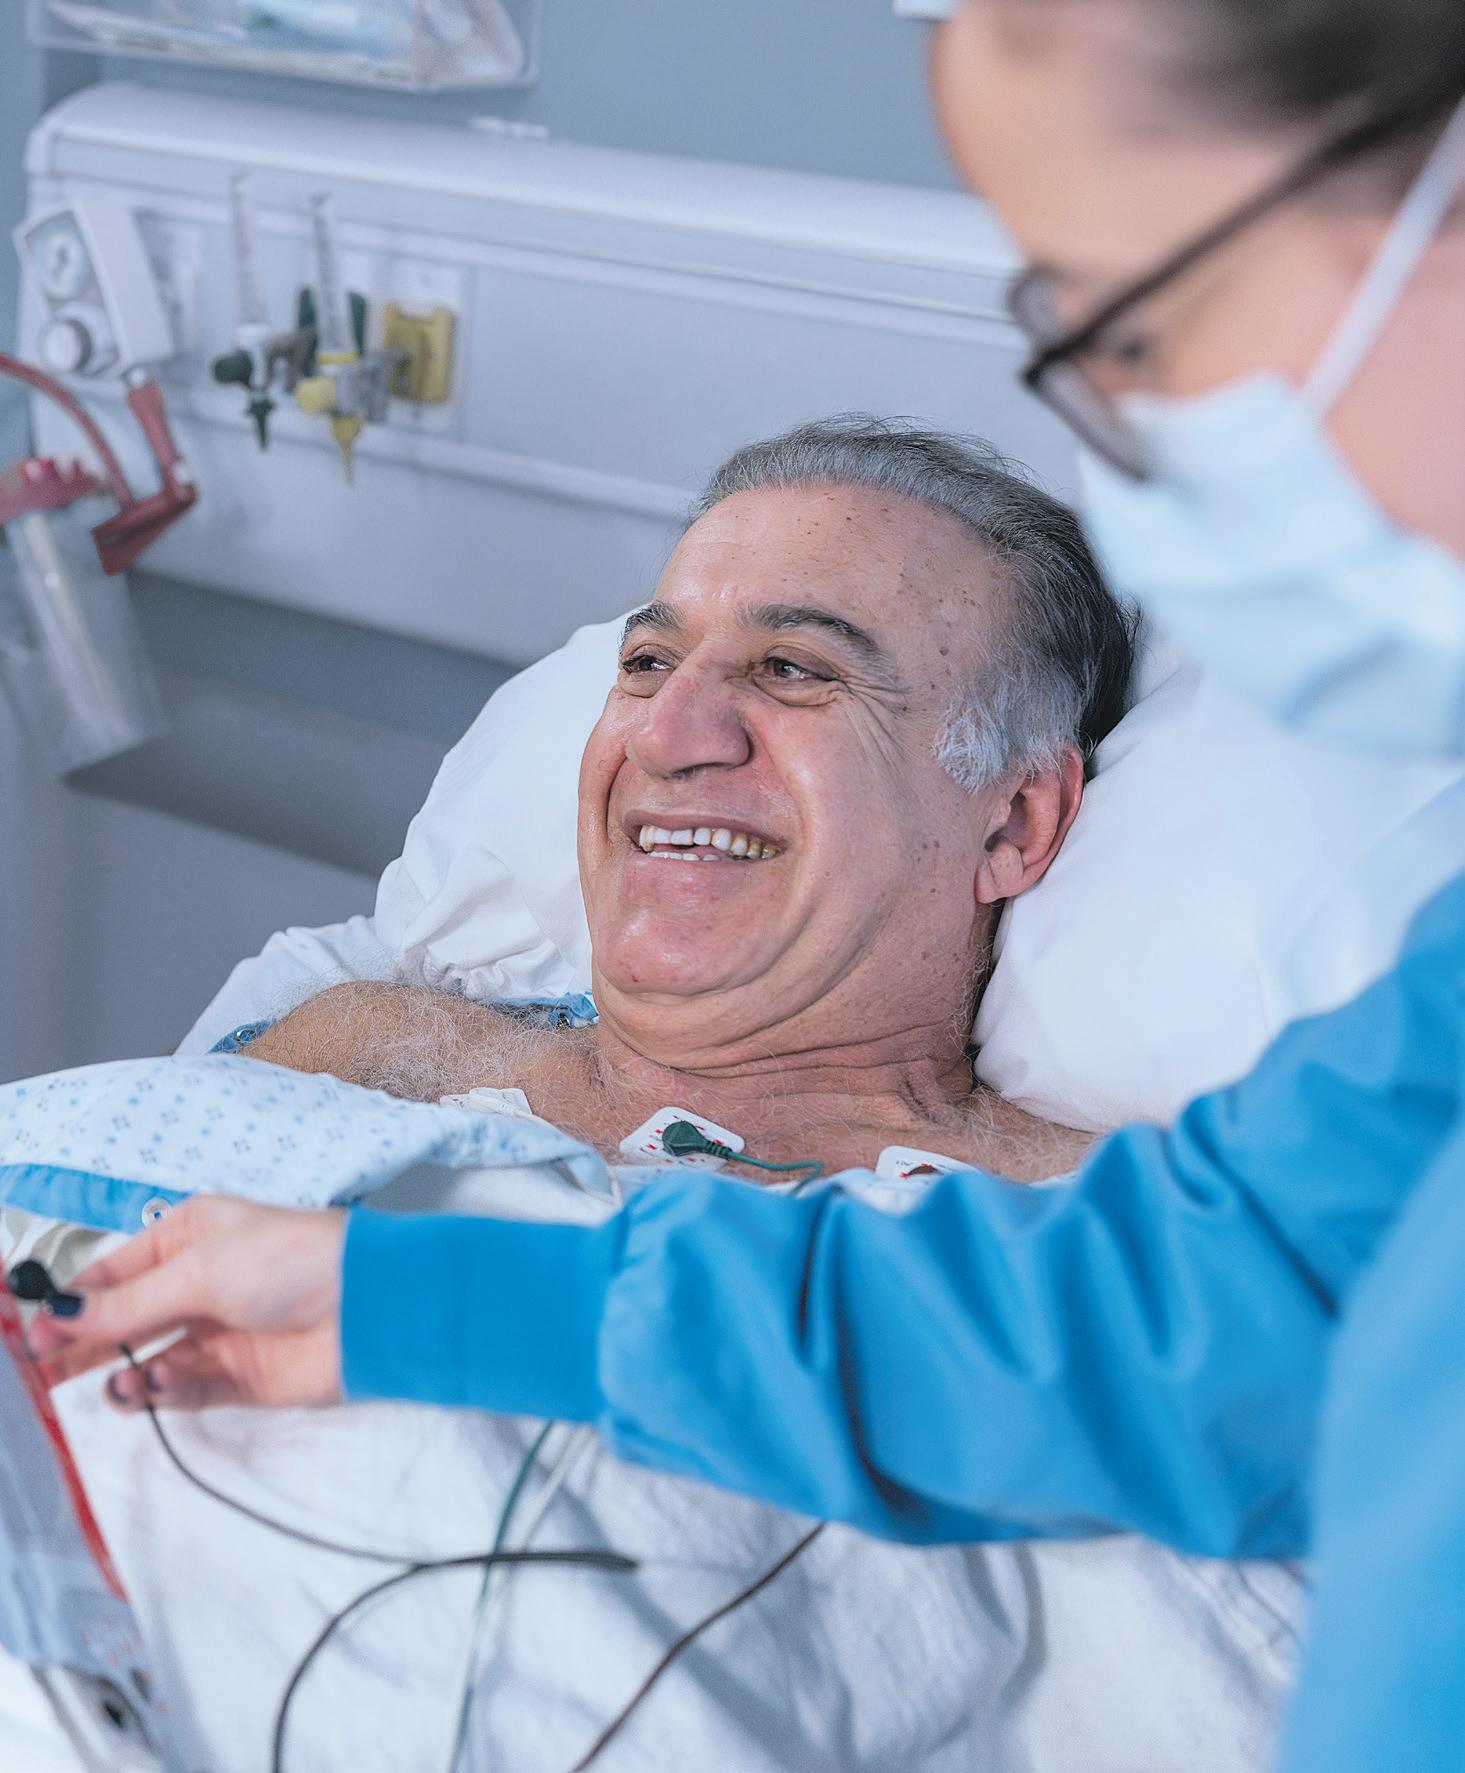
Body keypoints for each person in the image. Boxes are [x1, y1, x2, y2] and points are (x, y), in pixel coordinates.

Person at [31, 5, 1465, 1770]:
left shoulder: (1088, 1203)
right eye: (645, 663)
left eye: (796, 670)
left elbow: (1158, 1349)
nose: (674, 729)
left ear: (1015, 828)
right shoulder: (363, 1041)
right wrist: (410, 1298)